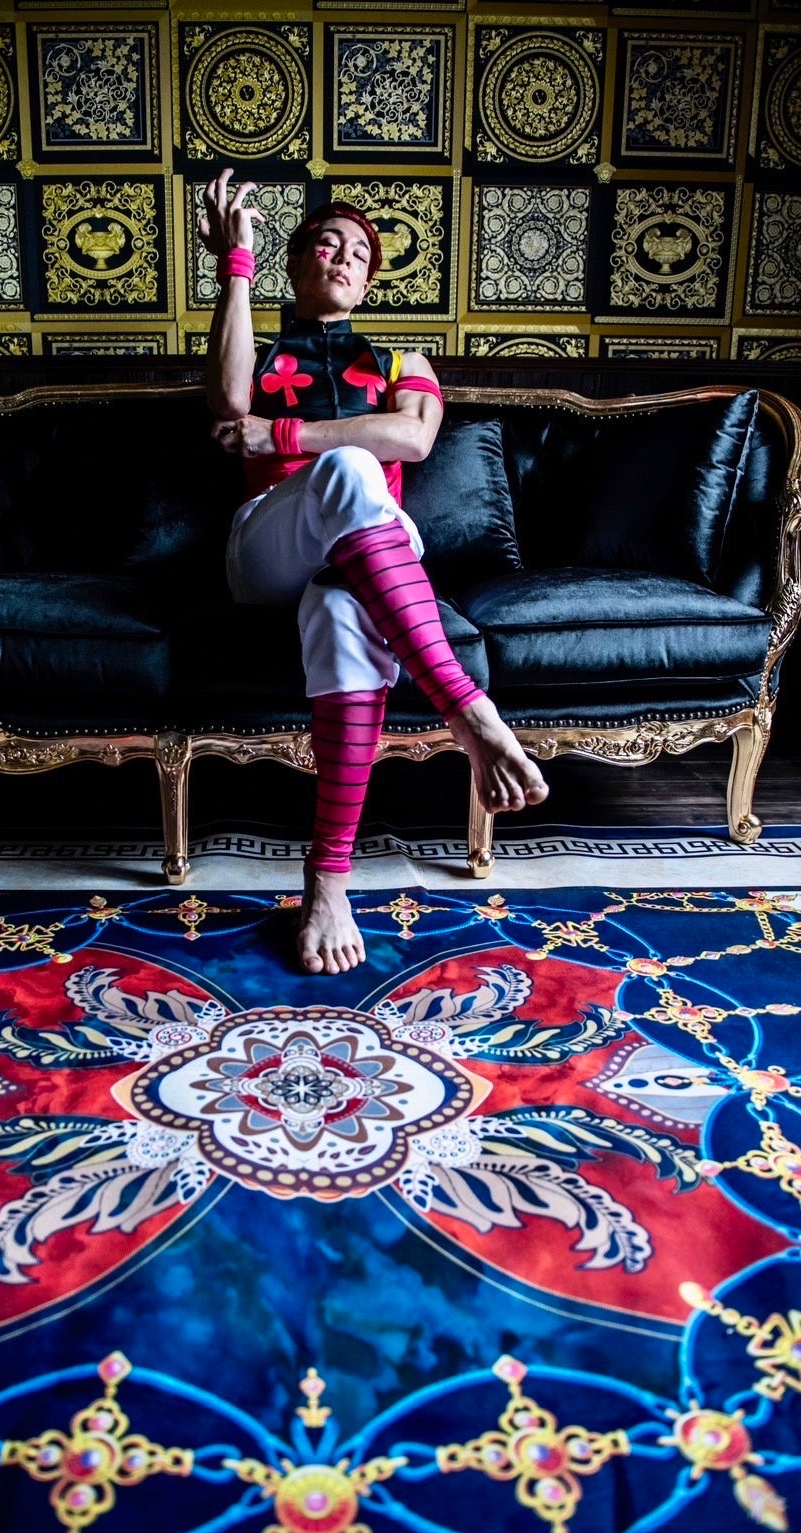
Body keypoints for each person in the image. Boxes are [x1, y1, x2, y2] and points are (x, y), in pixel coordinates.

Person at [200, 168, 548, 976]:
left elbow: (413, 438)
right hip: (269, 543)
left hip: (369, 550)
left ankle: (327, 877)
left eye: (358, 253)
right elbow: (226, 402)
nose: (343, 257)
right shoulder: (264, 349)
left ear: (368, 281)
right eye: (326, 244)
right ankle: (465, 708)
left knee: (339, 607)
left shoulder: (401, 359)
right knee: (351, 468)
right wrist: (234, 263)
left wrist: (282, 437)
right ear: (296, 262)